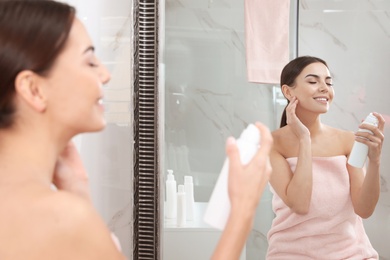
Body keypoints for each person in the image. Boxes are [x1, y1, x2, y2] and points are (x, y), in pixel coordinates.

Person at [0, 1, 273, 259]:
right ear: (34, 89)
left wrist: (79, 192)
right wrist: (243, 211)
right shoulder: (59, 217)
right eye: (90, 61)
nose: (106, 75)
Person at [266, 55, 385, 259]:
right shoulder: (272, 143)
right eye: (313, 81)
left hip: (350, 253)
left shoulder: (347, 140)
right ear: (287, 91)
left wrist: (375, 161)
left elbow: (364, 210)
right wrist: (304, 139)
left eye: (328, 82)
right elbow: (300, 204)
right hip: (291, 253)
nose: (324, 88)